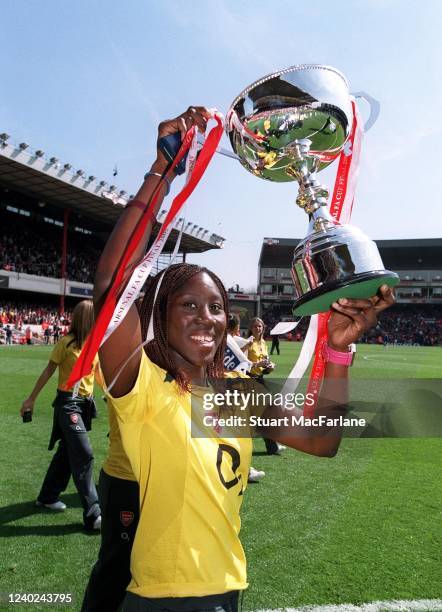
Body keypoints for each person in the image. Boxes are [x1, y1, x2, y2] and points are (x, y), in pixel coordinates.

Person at [91, 106, 395, 611]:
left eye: (216, 307)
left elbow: (322, 441)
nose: (207, 318)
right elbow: (113, 285)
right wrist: (161, 173)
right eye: (188, 305)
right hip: (161, 601)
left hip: (227, 595)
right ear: (159, 317)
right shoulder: (142, 387)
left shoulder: (237, 395)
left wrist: (338, 349)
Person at [20, 300, 101, 530]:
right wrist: (31, 399)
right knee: (84, 453)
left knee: (67, 452)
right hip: (68, 404)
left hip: (85, 405)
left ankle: (47, 496)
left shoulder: (93, 345)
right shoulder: (66, 344)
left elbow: (98, 375)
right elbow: (49, 370)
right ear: (86, 319)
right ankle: (93, 513)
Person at [226, 313, 265, 484]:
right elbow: (244, 365)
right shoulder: (229, 341)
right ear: (236, 327)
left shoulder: (221, 340)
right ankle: (245, 471)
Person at [245, 317, 281, 455]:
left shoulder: (264, 343)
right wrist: (257, 365)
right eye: (254, 326)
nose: (257, 328)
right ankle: (271, 446)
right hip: (249, 380)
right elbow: (243, 364)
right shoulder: (247, 343)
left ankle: (272, 445)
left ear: (263, 328)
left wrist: (269, 367)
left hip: (260, 379)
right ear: (251, 328)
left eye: (259, 326)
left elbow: (265, 361)